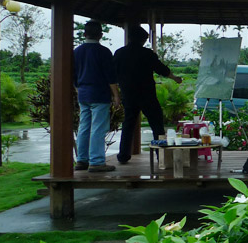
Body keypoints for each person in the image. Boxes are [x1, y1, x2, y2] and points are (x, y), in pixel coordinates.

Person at [114, 26, 182, 164]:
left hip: (128, 94)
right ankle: (160, 155)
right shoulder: (147, 53)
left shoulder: (119, 53)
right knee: (156, 125)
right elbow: (161, 69)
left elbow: (113, 74)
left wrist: (116, 94)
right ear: (143, 40)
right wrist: (174, 77)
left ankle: (123, 155)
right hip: (147, 94)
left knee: (128, 124)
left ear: (129, 38)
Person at [73, 20, 120, 172]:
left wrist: (78, 89)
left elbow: (73, 75)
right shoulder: (104, 52)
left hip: (83, 94)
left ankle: (81, 160)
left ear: (84, 34)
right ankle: (97, 161)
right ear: (100, 35)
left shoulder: (76, 52)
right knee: (98, 128)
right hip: (99, 94)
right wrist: (116, 96)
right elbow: (110, 77)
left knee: (84, 127)